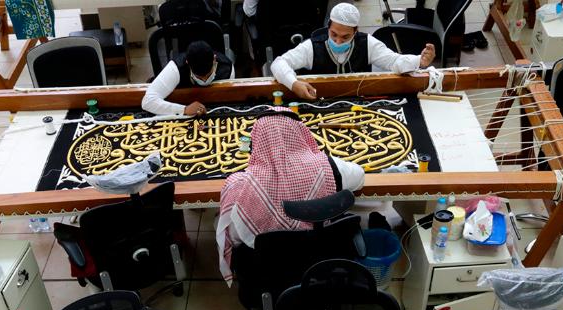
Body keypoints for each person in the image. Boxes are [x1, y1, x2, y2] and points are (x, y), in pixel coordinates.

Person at [215, 108, 364, 283]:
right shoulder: (329, 168)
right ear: (299, 132)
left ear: (257, 140)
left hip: (268, 267)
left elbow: (234, 237)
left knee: (220, 220)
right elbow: (360, 176)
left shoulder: (240, 185)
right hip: (320, 257)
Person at [271, 3, 436, 101]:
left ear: (356, 32)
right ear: (328, 26)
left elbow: (394, 62)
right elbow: (279, 63)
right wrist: (294, 84)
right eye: (333, 34)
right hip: (318, 104)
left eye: (345, 37)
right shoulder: (312, 47)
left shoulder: (367, 43)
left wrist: (419, 61)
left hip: (360, 104)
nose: (338, 41)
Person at [142, 40, 235, 117]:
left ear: (214, 59)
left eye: (208, 75)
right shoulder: (176, 68)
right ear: (187, 62)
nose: (204, 81)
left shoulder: (227, 68)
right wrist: (184, 109)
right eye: (199, 77)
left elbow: (230, 99)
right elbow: (148, 101)